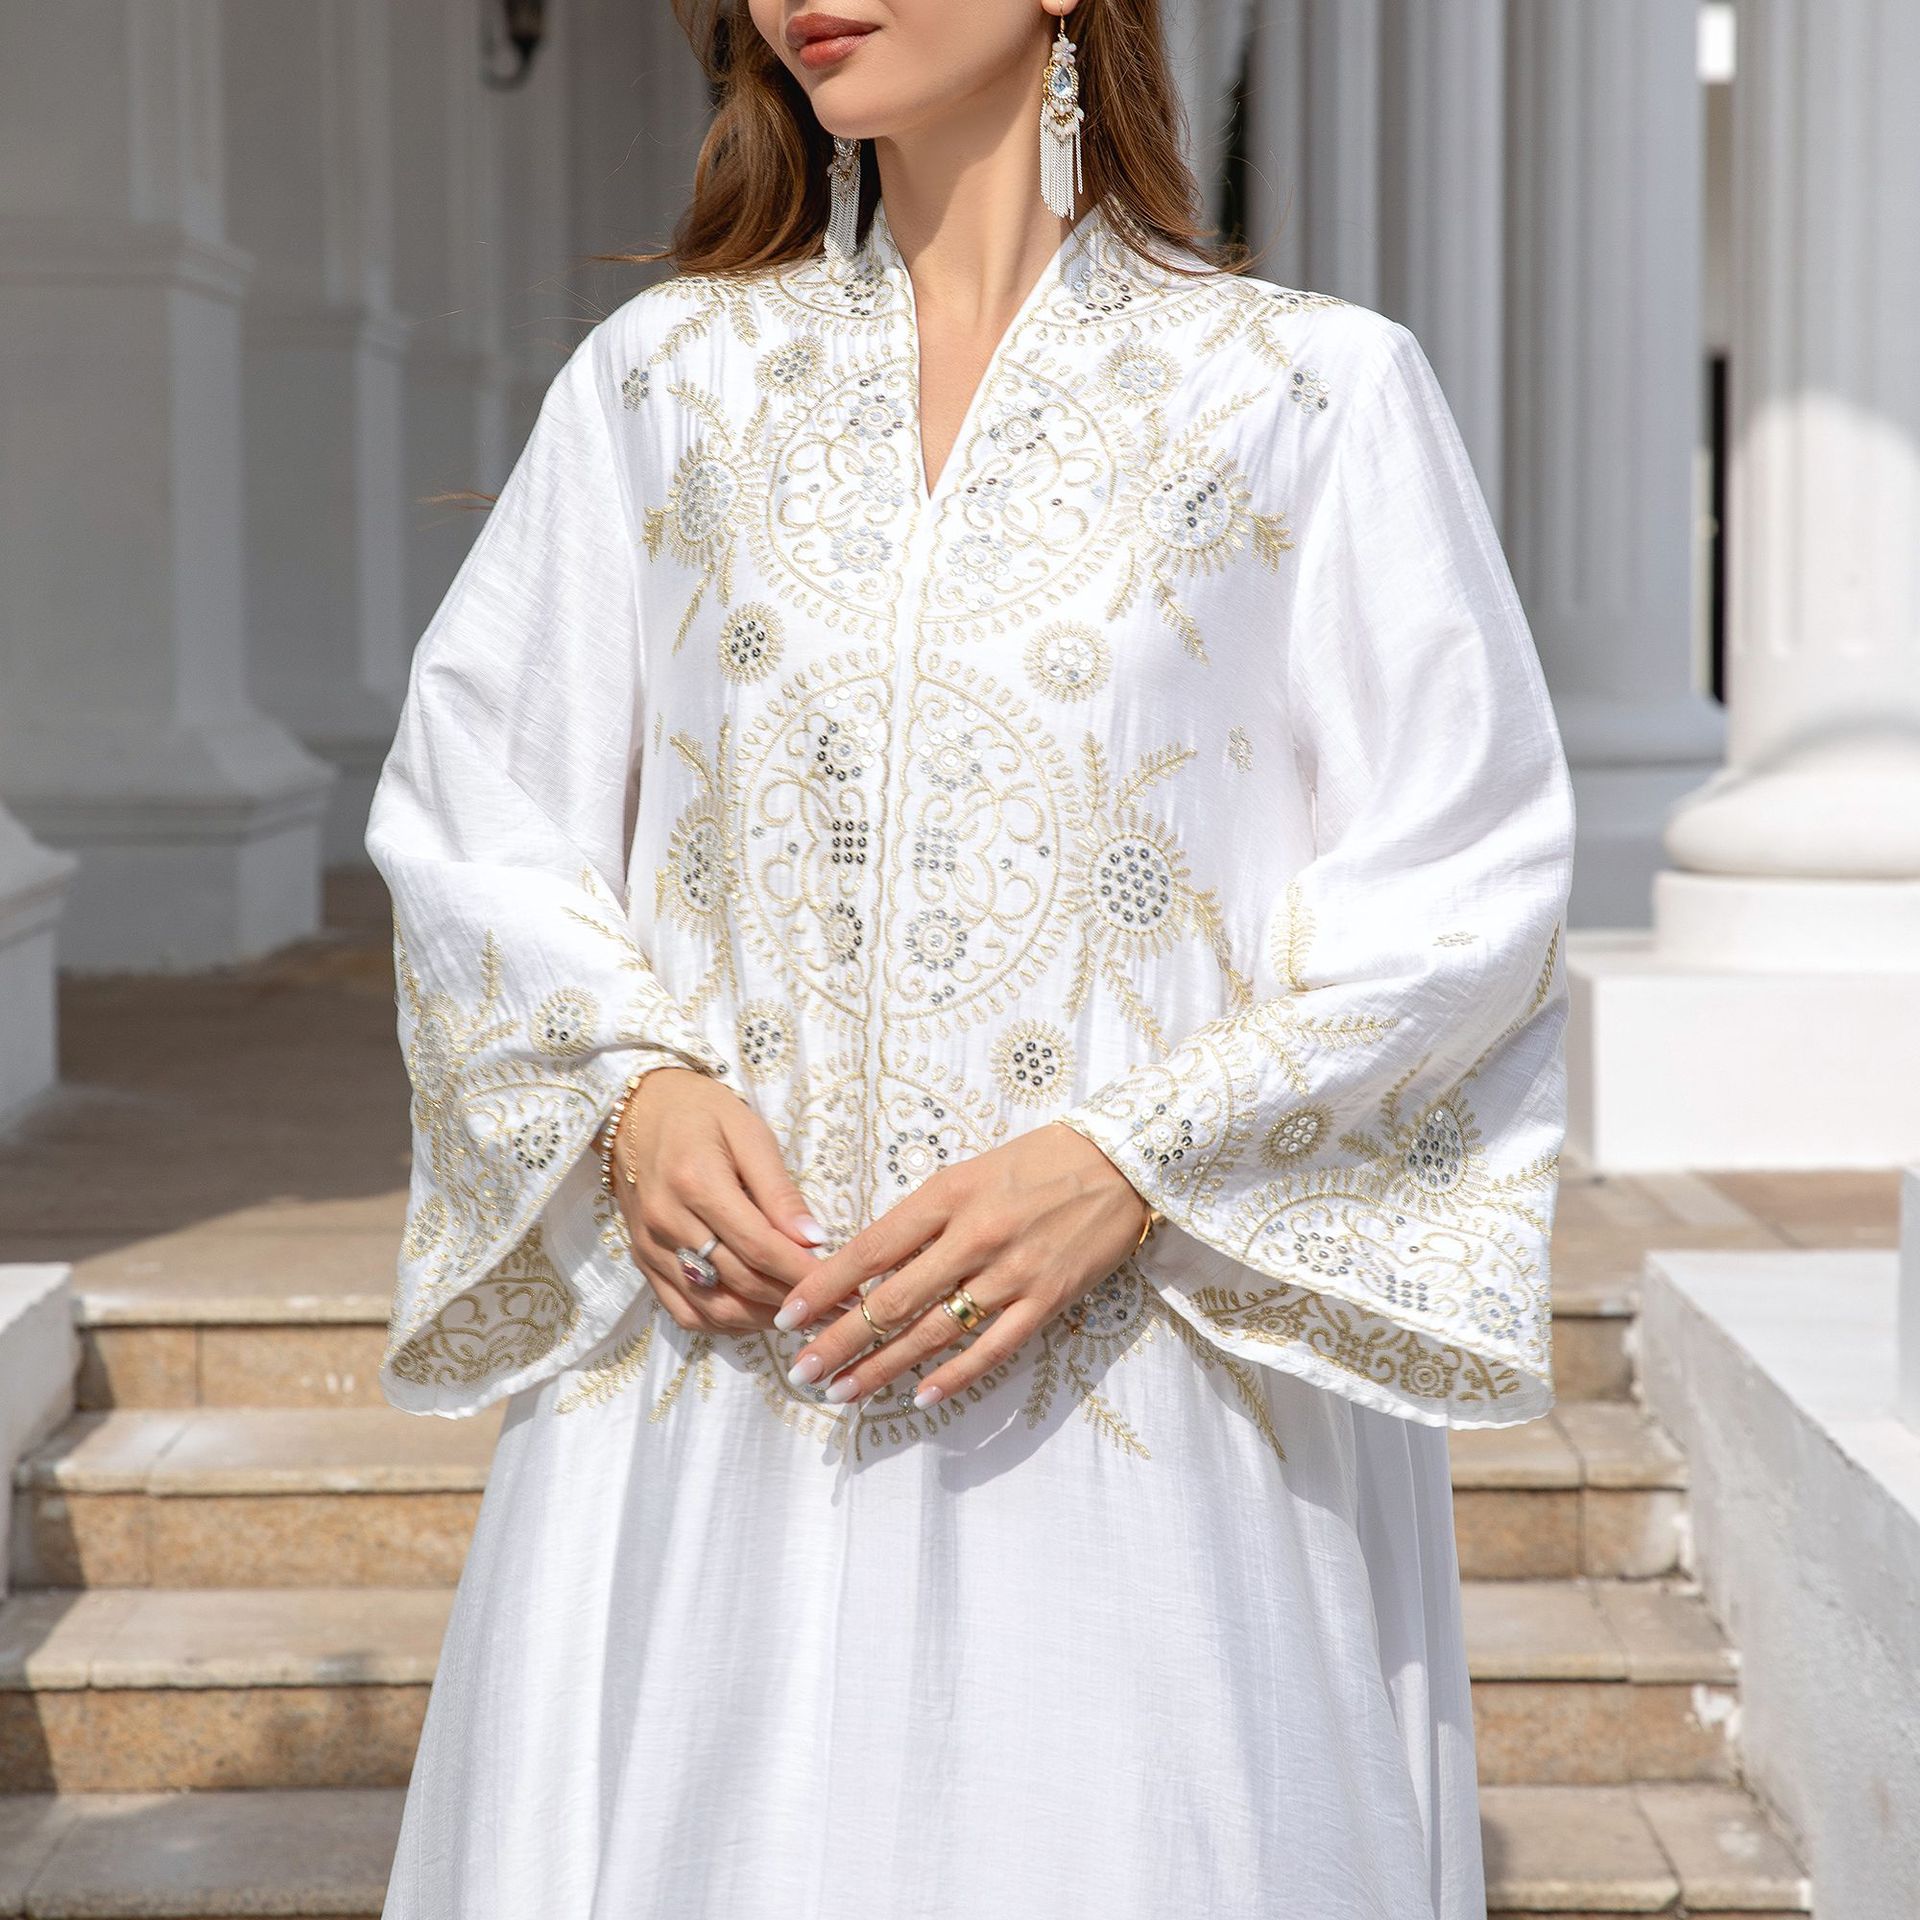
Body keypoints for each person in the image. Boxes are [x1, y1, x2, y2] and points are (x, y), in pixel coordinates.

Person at [364, 2, 1575, 1915]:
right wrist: (630, 1088)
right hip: (720, 1394)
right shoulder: (664, 387)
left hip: (1134, 1417)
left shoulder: (1304, 396)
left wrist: (1129, 1162)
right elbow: (474, 807)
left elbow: (1465, 875)